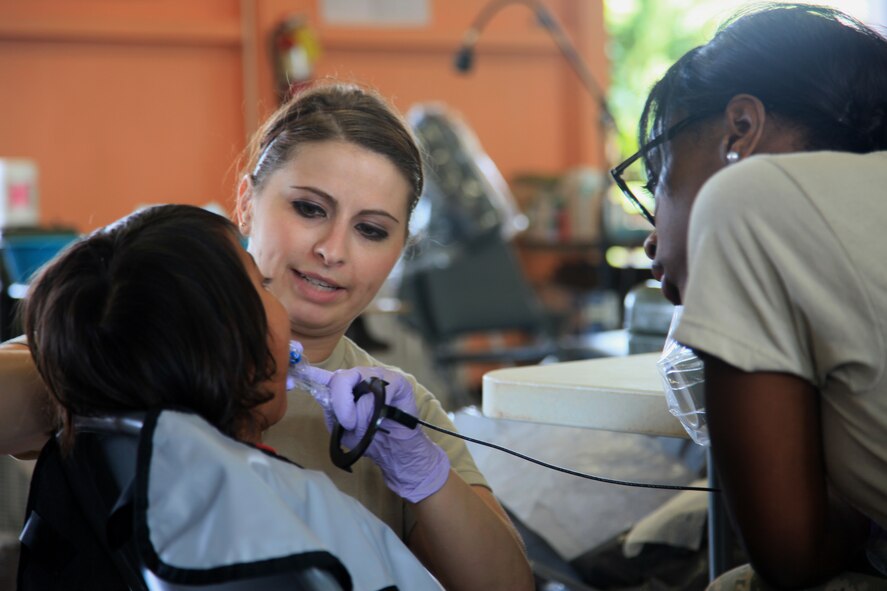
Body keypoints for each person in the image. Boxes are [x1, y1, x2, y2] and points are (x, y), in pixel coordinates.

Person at [1, 81, 532, 590]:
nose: (332, 249)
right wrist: (109, 369)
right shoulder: (146, 330)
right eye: (309, 209)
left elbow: (507, 586)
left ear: (401, 249)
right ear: (247, 201)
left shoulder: (400, 410)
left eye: (370, 229)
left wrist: (425, 477)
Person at [19, 203, 443, 590]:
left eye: (369, 229)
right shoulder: (299, 509)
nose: (332, 252)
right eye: (261, 283)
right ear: (236, 345)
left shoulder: (95, 455)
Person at [611, 3, 887, 589]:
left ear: (741, 130)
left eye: (657, 175)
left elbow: (792, 556)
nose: (650, 235)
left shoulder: (748, 199)